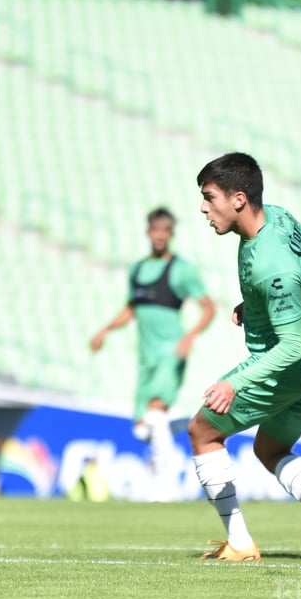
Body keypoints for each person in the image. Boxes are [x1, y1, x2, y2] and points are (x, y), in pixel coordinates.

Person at [188, 152, 301, 562]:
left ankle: (240, 543)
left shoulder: (268, 267)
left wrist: (233, 383)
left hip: (290, 366)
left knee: (202, 432)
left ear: (238, 198)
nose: (203, 208)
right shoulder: (280, 217)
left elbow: (289, 345)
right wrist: (259, 304)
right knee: (270, 449)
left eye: (210, 198)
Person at [90, 207, 216, 501]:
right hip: (145, 356)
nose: (160, 236)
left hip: (170, 351)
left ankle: (164, 483)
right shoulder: (137, 270)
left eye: (165, 231)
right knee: (141, 429)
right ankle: (186, 420)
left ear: (171, 235)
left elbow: (208, 307)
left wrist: (190, 335)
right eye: (155, 230)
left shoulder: (181, 269)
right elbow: (131, 309)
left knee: (155, 411)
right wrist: (105, 330)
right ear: (148, 232)